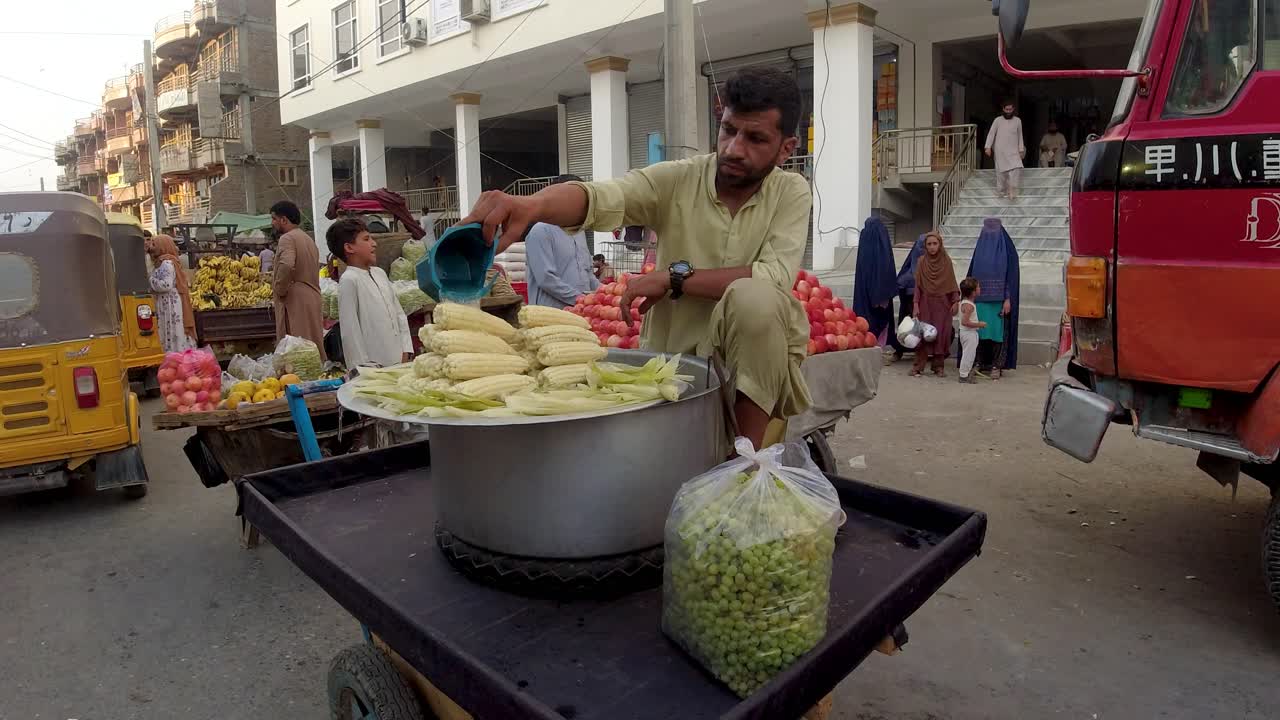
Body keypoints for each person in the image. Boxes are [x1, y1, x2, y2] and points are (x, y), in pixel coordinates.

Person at [459, 66, 812, 449]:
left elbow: (772, 277)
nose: (733, 148)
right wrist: (532, 204)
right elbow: (605, 197)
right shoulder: (679, 179)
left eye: (755, 138)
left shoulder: (791, 192)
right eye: (728, 130)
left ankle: (746, 463)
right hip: (675, 369)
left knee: (755, 298)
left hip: (755, 382)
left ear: (786, 148)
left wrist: (674, 278)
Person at [329, 217, 413, 368]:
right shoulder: (349, 280)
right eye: (366, 239)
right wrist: (363, 370)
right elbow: (350, 332)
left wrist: (406, 349)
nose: (374, 243)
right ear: (349, 248)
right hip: (374, 367)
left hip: (399, 359)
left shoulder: (379, 273)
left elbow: (399, 313)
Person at [525, 175, 599, 308]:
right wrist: (580, 299)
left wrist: (606, 293)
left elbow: (588, 273)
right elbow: (546, 279)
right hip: (551, 316)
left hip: (581, 311)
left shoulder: (579, 231)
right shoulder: (541, 231)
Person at [269, 200, 327, 360]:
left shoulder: (287, 238)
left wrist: (280, 289)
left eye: (274, 218)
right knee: (313, 346)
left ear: (284, 220)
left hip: (296, 300)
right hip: (312, 295)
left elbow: (287, 264)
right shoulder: (307, 238)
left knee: (297, 352)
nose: (272, 223)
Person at [967, 217, 1020, 379]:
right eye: (987, 230)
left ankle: (997, 365)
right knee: (980, 333)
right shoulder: (979, 251)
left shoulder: (1008, 252)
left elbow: (1011, 279)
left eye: (994, 230)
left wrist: (1008, 299)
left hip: (999, 302)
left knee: (998, 335)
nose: (989, 234)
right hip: (980, 301)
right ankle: (979, 362)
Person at [911, 231, 960, 377]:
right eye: (929, 244)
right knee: (923, 334)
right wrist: (915, 304)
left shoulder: (946, 261)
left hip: (943, 305)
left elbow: (952, 282)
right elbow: (918, 286)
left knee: (941, 334)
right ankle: (918, 365)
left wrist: (956, 300)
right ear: (925, 246)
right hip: (925, 303)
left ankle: (938, 366)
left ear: (940, 245)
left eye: (935, 244)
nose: (932, 247)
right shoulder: (921, 261)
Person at [145, 234, 195, 353]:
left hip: (169, 304)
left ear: (162, 246)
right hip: (166, 302)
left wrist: (149, 280)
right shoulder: (162, 261)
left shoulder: (167, 263)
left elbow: (166, 285)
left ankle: (176, 357)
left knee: (172, 331)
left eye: (154, 244)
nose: (152, 247)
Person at [852, 216, 898, 343]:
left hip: (867, 297)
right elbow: (885, 273)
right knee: (878, 322)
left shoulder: (865, 239)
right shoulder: (882, 247)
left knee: (868, 323)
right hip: (880, 298)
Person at [888, 234, 926, 361]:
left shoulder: (938, 267)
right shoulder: (908, 273)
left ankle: (924, 352)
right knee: (906, 326)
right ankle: (899, 350)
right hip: (909, 306)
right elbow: (900, 283)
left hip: (929, 306)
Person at [985, 100, 1025, 201]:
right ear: (1003, 109)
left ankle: (1012, 189)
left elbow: (1020, 135)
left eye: (1010, 109)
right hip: (1000, 151)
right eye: (1006, 109)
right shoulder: (997, 120)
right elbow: (991, 133)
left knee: (1017, 168)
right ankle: (1000, 191)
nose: (1008, 111)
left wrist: (1021, 149)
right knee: (1001, 173)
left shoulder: (1018, 121)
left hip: (1013, 151)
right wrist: (988, 147)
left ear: (1013, 109)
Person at [956, 277, 986, 384]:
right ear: (973, 292)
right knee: (969, 354)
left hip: (966, 333)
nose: (980, 288)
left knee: (969, 354)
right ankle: (963, 375)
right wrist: (979, 324)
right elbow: (965, 322)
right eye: (978, 287)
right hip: (969, 333)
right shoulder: (969, 306)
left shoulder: (964, 303)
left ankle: (965, 373)